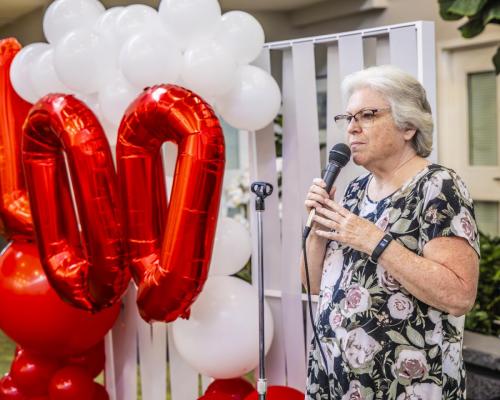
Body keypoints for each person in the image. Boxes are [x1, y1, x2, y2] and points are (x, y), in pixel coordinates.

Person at [302, 65, 480, 400]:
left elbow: (459, 296)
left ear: (409, 125)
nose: (352, 128)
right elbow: (313, 285)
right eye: (348, 118)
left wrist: (373, 239)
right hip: (336, 378)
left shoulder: (438, 186)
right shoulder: (354, 189)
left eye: (367, 115)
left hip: (405, 385)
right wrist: (317, 230)